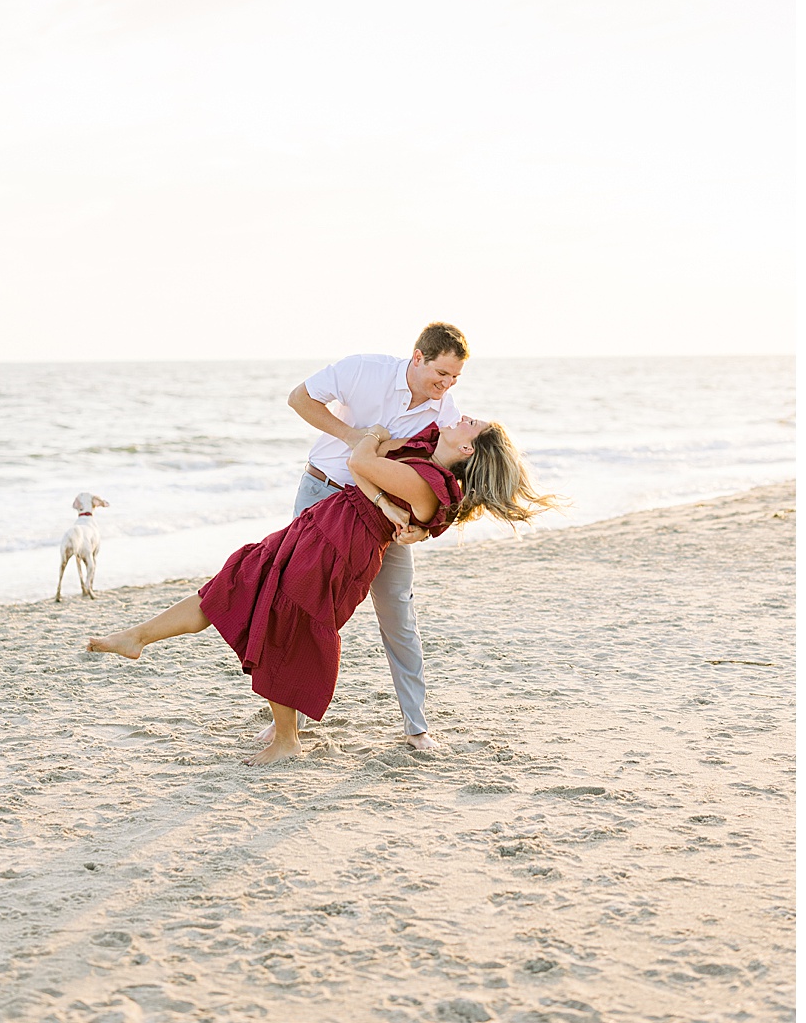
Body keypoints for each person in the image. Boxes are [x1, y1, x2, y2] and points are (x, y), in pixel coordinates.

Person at [86, 413, 560, 765]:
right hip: (322, 530)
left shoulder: (426, 480)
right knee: (234, 583)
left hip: (337, 549)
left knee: (285, 626)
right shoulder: (429, 459)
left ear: (469, 451)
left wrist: (369, 436)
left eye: (471, 425)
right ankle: (138, 638)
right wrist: (384, 457)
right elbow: (393, 457)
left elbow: (359, 460)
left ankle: (287, 739)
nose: (462, 417)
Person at [284, 322, 469, 750]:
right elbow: (299, 398)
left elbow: (443, 477)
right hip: (323, 493)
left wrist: (422, 528)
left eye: (455, 377)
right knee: (304, 609)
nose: (447, 384)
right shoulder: (364, 369)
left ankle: (417, 726)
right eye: (441, 374)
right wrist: (353, 436)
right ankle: (285, 723)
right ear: (418, 357)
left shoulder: (445, 411)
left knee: (399, 616)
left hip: (385, 516)